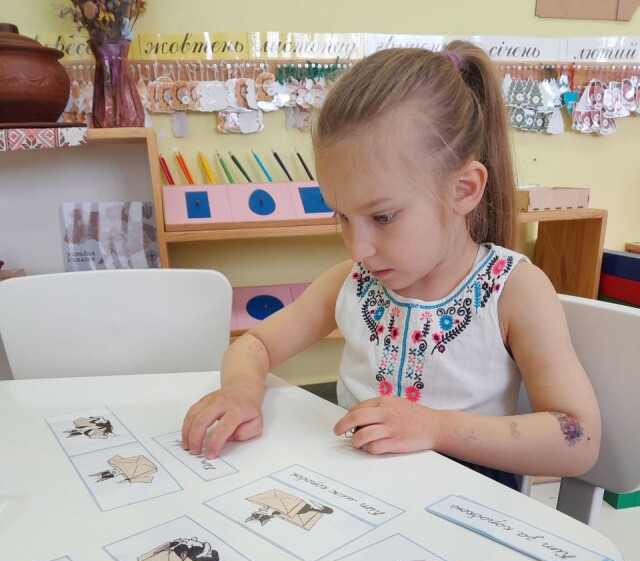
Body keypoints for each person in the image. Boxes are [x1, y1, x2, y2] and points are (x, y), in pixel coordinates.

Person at [182, 42, 600, 489]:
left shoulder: (514, 291)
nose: (357, 249)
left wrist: (436, 428)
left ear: (463, 189)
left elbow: (579, 439)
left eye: (382, 217)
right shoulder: (353, 283)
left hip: (463, 508)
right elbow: (256, 344)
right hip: (356, 496)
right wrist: (241, 390)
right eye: (342, 216)